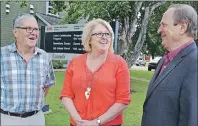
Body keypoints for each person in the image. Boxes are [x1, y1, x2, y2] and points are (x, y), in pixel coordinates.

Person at [59, 19, 131, 126]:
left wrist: (96, 122)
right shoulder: (75, 62)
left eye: (108, 34)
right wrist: (79, 121)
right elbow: (66, 95)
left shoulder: (119, 63)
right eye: (99, 33)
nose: (104, 37)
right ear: (89, 39)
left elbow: (123, 100)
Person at [141, 4, 197, 126]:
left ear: (182, 27)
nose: (159, 30)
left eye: (164, 25)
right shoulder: (164, 60)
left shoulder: (194, 64)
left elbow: (191, 119)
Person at [0, 13, 55, 126]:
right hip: (7, 119)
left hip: (36, 119)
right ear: (15, 32)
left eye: (36, 29)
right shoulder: (2, 55)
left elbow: (47, 85)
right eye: (28, 29)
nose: (33, 33)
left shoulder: (44, 57)